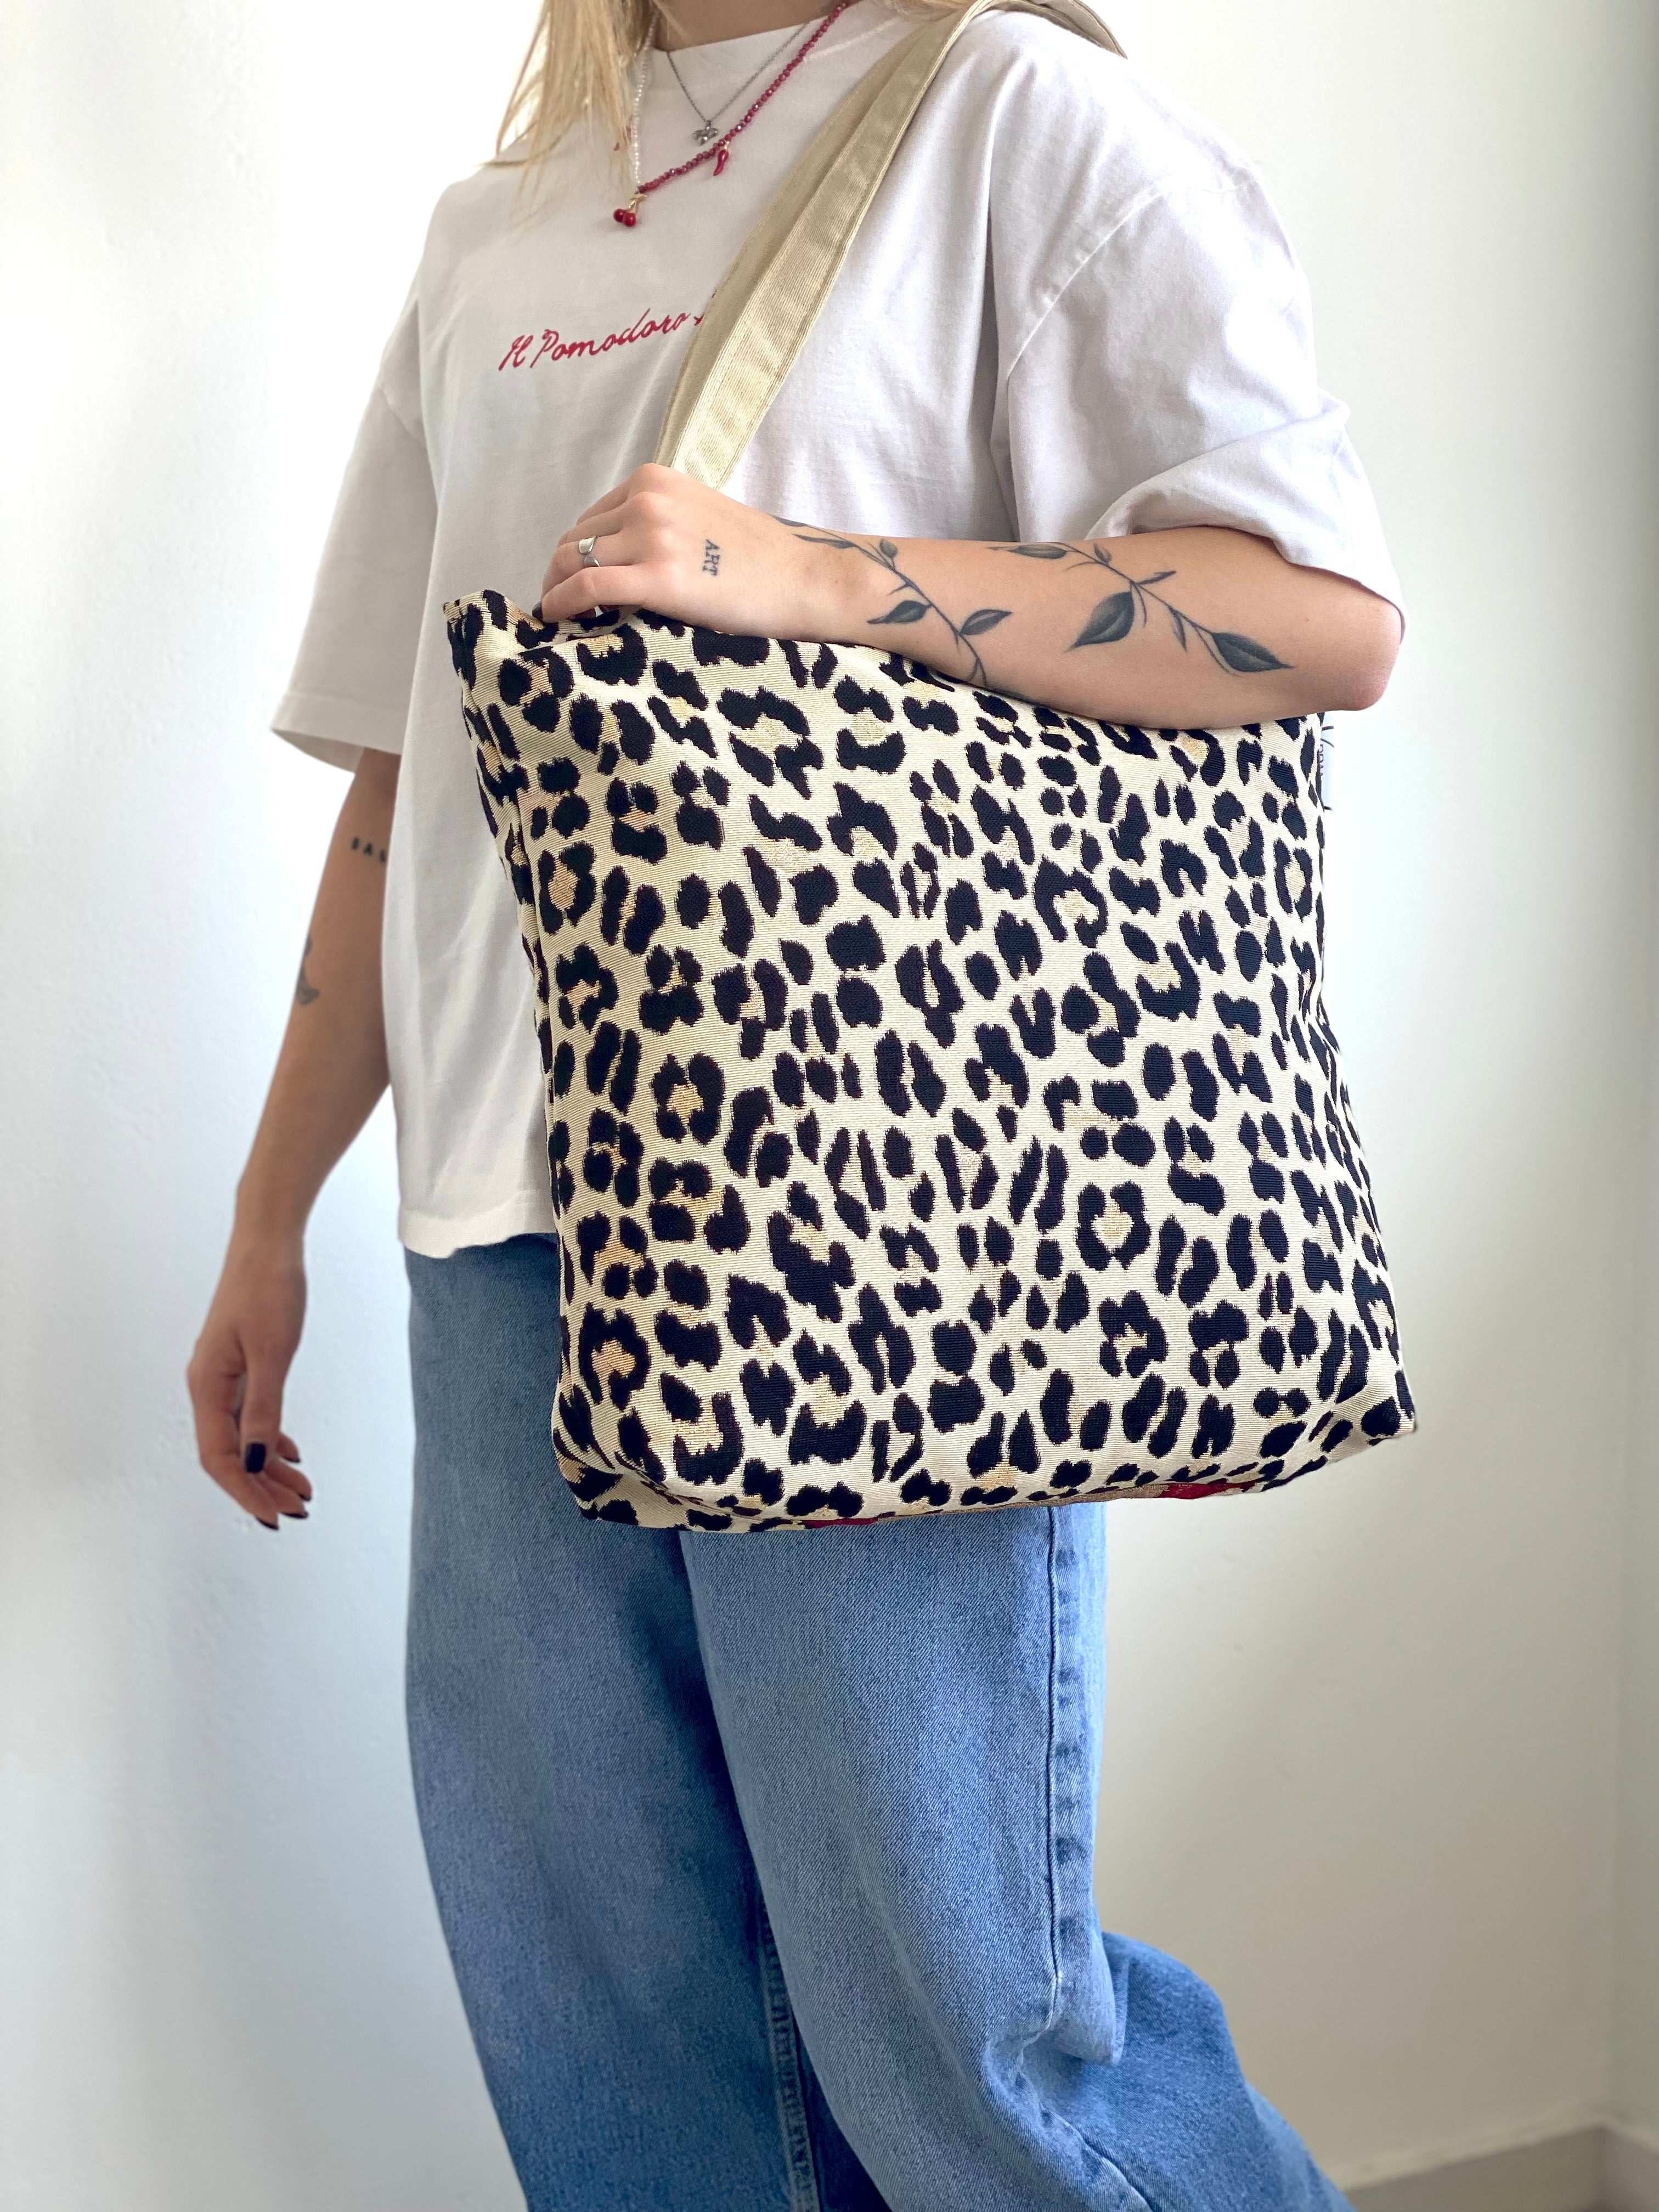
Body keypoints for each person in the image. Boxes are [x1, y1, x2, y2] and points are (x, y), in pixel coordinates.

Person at [187, 0, 1405, 2201]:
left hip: (869, 1223)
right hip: (503, 1231)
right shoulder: (499, 229)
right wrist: (275, 1209)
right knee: (608, 2037)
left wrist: (834, 583)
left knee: (952, 2038)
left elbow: (1317, 617)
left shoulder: (1016, 116)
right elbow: (405, 782)